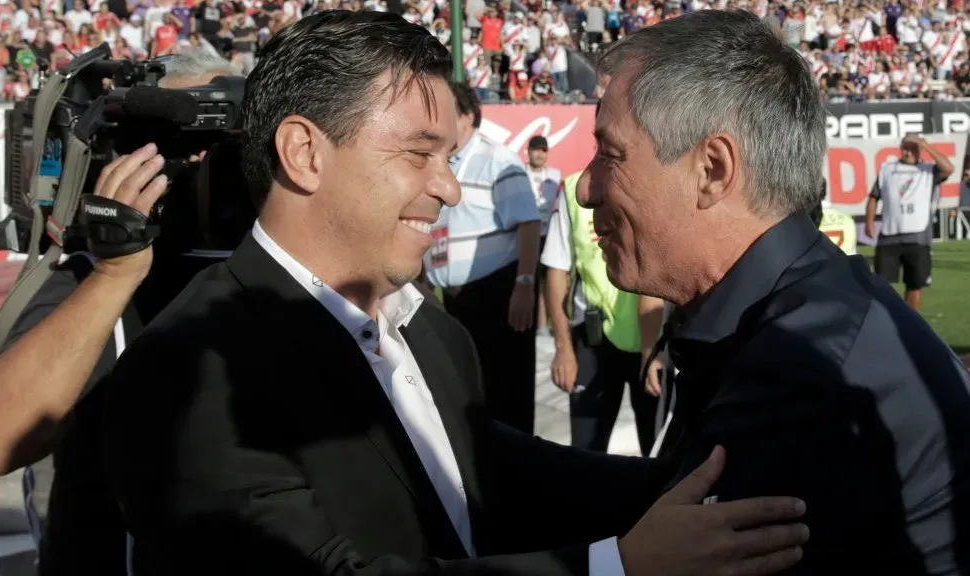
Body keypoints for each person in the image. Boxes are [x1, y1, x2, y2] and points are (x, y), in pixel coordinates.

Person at [103, 11, 811, 576]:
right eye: (418, 154)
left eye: (448, 156)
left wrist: (717, 487)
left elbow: (501, 469)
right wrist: (617, 568)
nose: (447, 187)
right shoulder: (191, 371)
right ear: (305, 153)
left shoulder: (429, 334)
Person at [588, 10, 970, 574]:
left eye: (610, 155)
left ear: (712, 169)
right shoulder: (799, 303)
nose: (586, 187)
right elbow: (671, 487)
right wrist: (472, 447)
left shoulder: (803, 368)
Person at [0, 49, 244, 576]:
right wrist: (116, 270)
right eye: (190, 141)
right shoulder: (88, 277)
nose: (207, 164)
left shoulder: (271, 267)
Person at [422, 83, 542, 435]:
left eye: (446, 113)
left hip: (496, 293)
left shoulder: (497, 158)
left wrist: (524, 284)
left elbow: (529, 222)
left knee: (506, 396)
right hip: (454, 300)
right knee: (470, 395)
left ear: (469, 116)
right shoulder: (442, 166)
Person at [541, 170, 660, 455]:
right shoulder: (573, 189)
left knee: (658, 452)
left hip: (652, 343)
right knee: (585, 451)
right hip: (593, 342)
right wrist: (563, 348)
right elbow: (557, 269)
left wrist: (652, 350)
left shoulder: (657, 180)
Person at [865, 133, 954, 311]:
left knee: (914, 285)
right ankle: (885, 319)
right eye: (906, 147)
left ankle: (910, 323)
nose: (909, 152)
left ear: (920, 149)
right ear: (900, 148)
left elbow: (949, 168)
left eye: (914, 148)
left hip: (918, 237)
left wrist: (926, 145)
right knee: (882, 284)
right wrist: (869, 221)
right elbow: (874, 197)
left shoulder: (929, 171)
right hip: (890, 235)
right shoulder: (887, 169)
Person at [524, 134, 561, 335]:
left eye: (543, 150)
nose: (540, 154)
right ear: (528, 151)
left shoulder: (555, 175)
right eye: (536, 149)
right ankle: (531, 323)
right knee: (528, 280)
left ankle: (546, 325)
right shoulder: (520, 173)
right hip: (526, 235)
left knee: (551, 281)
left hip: (549, 234)